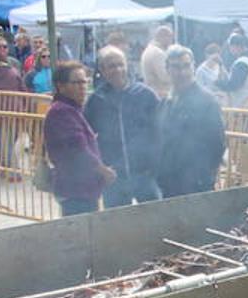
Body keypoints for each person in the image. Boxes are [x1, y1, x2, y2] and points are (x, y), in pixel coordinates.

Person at [84, 46, 162, 209]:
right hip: (114, 178)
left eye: (121, 64)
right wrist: (100, 167)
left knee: (156, 218)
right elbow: (86, 137)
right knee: (116, 224)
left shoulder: (145, 94)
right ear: (103, 70)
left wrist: (156, 164)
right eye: (112, 66)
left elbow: (161, 131)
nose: (118, 70)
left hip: (144, 174)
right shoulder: (97, 99)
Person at [45, 61, 115, 216]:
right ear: (61, 86)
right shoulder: (61, 112)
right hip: (75, 188)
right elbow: (78, 148)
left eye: (85, 82)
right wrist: (103, 170)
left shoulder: (73, 109)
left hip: (83, 187)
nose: (82, 87)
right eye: (76, 82)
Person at [157, 45, 226, 197]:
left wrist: (203, 178)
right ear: (167, 69)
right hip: (168, 183)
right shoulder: (165, 102)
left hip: (195, 185)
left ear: (193, 67)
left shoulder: (207, 102)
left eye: (186, 66)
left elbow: (218, 145)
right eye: (176, 67)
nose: (182, 72)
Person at [215, 33, 248, 109]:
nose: (230, 50)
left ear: (237, 46)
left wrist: (217, 82)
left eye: (230, 47)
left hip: (241, 106)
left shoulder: (242, 63)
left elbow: (234, 85)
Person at [140, 25, 174, 98]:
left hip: (152, 92)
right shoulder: (158, 53)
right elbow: (165, 77)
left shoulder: (148, 50)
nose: (171, 41)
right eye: (170, 37)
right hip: (161, 94)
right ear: (162, 36)